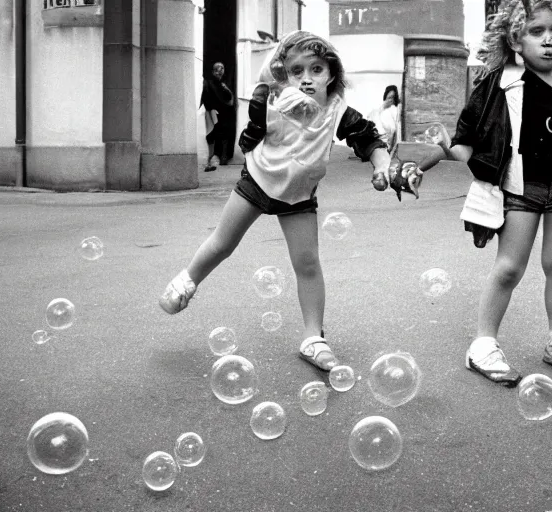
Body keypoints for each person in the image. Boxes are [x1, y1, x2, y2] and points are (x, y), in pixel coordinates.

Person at [160, 31, 395, 373]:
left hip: (299, 194)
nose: (307, 78)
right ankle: (185, 283)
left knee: (308, 264)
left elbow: (368, 138)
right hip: (258, 181)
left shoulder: (336, 109)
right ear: (284, 74)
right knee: (222, 243)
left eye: (316, 69)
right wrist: (264, 102)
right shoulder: (274, 101)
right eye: (297, 70)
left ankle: (314, 338)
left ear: (332, 72)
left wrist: (382, 165)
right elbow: (249, 136)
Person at [435, 0, 552, 386]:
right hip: (520, 189)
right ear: (516, 38)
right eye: (536, 32)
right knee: (510, 267)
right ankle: (482, 346)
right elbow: (466, 138)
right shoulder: (501, 82)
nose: (547, 41)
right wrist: (439, 154)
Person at [201, 62, 238, 171]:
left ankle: (223, 157)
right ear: (213, 71)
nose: (220, 70)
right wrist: (211, 109)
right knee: (211, 136)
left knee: (225, 135)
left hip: (225, 113)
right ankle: (210, 159)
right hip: (213, 113)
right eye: (217, 68)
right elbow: (206, 97)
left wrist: (225, 89)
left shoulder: (225, 84)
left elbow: (230, 99)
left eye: (222, 68)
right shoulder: (209, 83)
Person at [368, 85, 402, 153]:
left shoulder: (394, 111)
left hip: (388, 144)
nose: (391, 100)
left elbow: (394, 130)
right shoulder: (377, 111)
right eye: (389, 97)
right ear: (385, 97)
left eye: (393, 98)